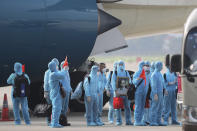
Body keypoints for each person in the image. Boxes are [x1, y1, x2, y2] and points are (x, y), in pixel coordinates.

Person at [111, 60, 132, 126]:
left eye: (122, 64)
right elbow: (113, 82)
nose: (121, 65)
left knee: (127, 107)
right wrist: (116, 91)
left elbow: (130, 81)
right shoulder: (115, 73)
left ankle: (128, 121)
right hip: (117, 93)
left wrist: (127, 90)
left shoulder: (126, 72)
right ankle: (118, 121)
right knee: (117, 108)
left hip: (125, 93)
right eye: (119, 64)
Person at [48, 61, 67, 128]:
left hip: (55, 93)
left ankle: (54, 122)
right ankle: (55, 123)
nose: (56, 66)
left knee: (55, 109)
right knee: (57, 108)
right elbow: (62, 76)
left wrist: (62, 69)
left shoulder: (52, 73)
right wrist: (64, 69)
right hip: (56, 94)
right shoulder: (53, 74)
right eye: (55, 65)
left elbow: (60, 75)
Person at [150, 61, 166, 126]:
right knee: (154, 107)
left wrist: (165, 89)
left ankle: (158, 121)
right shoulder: (154, 75)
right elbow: (153, 85)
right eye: (161, 66)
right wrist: (155, 94)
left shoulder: (160, 74)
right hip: (156, 93)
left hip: (161, 92)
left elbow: (162, 82)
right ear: (158, 66)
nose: (162, 67)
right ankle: (153, 121)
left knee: (160, 107)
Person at [43, 58, 59, 126]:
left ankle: (49, 120)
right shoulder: (56, 71)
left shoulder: (47, 72)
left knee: (50, 106)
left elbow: (45, 83)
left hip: (49, 92)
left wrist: (45, 91)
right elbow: (46, 83)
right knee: (54, 107)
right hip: (53, 92)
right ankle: (52, 121)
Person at [133, 61, 147, 126]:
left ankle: (140, 120)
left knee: (142, 106)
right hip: (138, 92)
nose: (145, 66)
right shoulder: (137, 72)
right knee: (138, 106)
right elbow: (134, 82)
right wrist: (137, 79)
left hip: (144, 91)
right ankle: (137, 120)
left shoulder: (146, 73)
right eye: (143, 65)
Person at [60, 59, 72, 126]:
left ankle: (64, 121)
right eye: (66, 65)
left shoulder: (67, 73)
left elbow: (68, 83)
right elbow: (60, 84)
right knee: (62, 107)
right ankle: (60, 121)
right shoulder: (61, 73)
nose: (67, 66)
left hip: (67, 92)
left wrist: (70, 90)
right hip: (63, 92)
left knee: (65, 107)